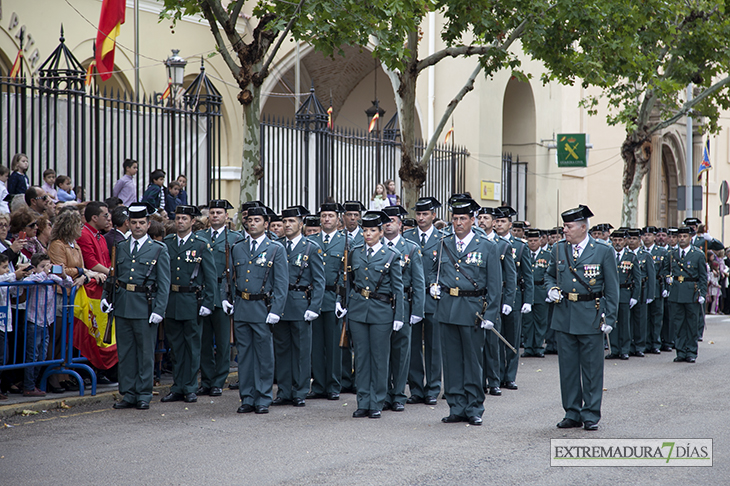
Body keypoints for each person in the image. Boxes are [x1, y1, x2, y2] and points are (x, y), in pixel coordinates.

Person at [545, 205, 619, 431]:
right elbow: (549, 276)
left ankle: (591, 413)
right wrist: (551, 289)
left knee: (591, 369)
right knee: (567, 369)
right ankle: (572, 412)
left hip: (591, 315)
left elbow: (612, 288)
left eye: (568, 227)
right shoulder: (558, 249)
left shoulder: (603, 250)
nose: (564, 231)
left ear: (583, 227)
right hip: (565, 314)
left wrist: (610, 318)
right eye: (564, 226)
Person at [429, 198, 501, 426]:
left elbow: (495, 285)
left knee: (472, 361)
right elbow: (433, 271)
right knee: (451, 361)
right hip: (448, 307)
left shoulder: (487, 246)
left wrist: (490, 315)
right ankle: (456, 406)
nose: (458, 223)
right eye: (455, 218)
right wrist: (433, 284)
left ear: (472, 220)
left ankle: (474, 407)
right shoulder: (443, 242)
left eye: (463, 219)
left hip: (472, 310)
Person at [101, 203, 170, 410]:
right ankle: (128, 392)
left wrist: (159, 309)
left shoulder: (158, 249)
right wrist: (106, 296)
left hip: (144, 307)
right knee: (126, 352)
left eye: (142, 222)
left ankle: (144, 393)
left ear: (149, 224)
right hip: (122, 304)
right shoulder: (120, 247)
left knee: (145, 352)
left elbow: (163, 283)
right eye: (134, 222)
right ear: (128, 223)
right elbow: (114, 275)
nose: (138, 226)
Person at [337, 210, 404, 419]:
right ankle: (363, 401)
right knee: (362, 359)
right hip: (358, 311)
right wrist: (341, 302)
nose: (367, 234)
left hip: (381, 312)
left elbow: (398, 288)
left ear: (380, 232)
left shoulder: (392, 255)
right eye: (365, 230)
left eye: (372, 230)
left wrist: (399, 316)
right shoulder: (355, 252)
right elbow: (346, 281)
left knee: (379, 359)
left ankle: (377, 401)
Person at [225, 206, 288, 414]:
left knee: (263, 355)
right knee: (244, 355)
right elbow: (230, 278)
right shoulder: (238, 247)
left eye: (257, 220)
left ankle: (263, 397)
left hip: (263, 307)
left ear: (266, 224)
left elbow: (281, 283)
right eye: (250, 220)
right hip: (242, 307)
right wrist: (228, 299)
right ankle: (247, 397)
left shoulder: (275, 248)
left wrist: (276, 310)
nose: (252, 223)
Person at [160, 206, 216, 404]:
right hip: (172, 301)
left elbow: (210, 277)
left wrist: (209, 302)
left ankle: (190, 387)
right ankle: (178, 386)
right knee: (175, 348)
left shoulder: (201, 244)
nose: (180, 221)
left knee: (192, 346)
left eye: (184, 218)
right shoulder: (167, 243)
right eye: (178, 218)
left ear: (192, 222)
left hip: (192, 301)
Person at [272, 206, 325, 408]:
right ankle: (284, 391)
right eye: (285, 222)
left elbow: (319, 281)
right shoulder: (276, 246)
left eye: (291, 221)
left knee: (302, 351)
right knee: (282, 350)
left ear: (301, 225)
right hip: (280, 305)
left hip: (301, 303)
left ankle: (300, 391)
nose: (287, 225)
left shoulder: (311, 247)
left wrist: (314, 306)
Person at [47, 209, 105, 392]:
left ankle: (64, 374)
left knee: (66, 339)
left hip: (74, 294)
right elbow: (59, 269)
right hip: (60, 294)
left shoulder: (75, 245)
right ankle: (51, 375)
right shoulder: (57, 245)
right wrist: (82, 273)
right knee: (57, 337)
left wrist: (86, 274)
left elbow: (81, 268)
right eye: (78, 224)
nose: (81, 228)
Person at [195, 199, 242, 397]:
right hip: (203, 291)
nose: (215, 216)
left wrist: (231, 296)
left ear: (226, 216)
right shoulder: (200, 236)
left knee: (223, 343)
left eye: (219, 213)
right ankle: (206, 380)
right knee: (204, 341)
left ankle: (218, 380)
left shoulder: (235, 238)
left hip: (224, 291)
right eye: (212, 213)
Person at [381, 205, 424, 412]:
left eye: (393, 220)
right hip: (379, 304)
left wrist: (417, 310)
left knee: (400, 352)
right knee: (381, 352)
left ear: (400, 224)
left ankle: (398, 394)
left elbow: (418, 282)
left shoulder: (411, 248)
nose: (388, 223)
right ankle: (382, 393)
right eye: (385, 220)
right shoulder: (374, 246)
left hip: (403, 304)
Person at [404, 197, 443, 406]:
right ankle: (416, 389)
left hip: (433, 298)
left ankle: (433, 388)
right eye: (418, 214)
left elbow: (447, 268)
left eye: (425, 214)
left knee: (433, 346)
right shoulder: (407, 237)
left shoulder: (443, 238)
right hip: (412, 298)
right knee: (412, 346)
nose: (421, 218)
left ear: (433, 216)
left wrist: (440, 285)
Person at [476, 206, 516, 396]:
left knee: (492, 343)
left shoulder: (502, 245)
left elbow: (510, 275)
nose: (482, 221)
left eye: (486, 218)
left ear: (494, 222)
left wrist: (508, 300)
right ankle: (478, 380)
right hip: (475, 298)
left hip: (493, 298)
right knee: (476, 343)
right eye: (480, 217)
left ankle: (494, 381)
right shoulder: (474, 242)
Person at [308, 202, 346, 401]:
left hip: (333, 298)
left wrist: (342, 300)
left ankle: (333, 385)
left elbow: (346, 273)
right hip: (315, 299)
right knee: (316, 345)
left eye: (330, 216)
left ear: (338, 219)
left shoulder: (344, 241)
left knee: (333, 346)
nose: (326, 219)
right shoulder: (311, 241)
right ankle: (319, 385)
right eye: (323, 216)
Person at [22, 252, 73, 396]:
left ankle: (36, 384)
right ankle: (29, 386)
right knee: (32, 355)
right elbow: (28, 282)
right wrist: (43, 273)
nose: (46, 269)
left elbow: (68, 283)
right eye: (42, 266)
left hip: (46, 321)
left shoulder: (51, 278)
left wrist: (62, 275)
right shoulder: (34, 278)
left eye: (48, 265)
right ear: (35, 267)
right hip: (34, 320)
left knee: (41, 355)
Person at [494, 206, 533, 390]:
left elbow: (527, 275)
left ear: (510, 224)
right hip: (495, 295)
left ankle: (509, 376)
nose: (499, 224)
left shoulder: (520, 245)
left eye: (502, 221)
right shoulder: (490, 243)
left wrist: (527, 300)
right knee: (496, 337)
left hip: (514, 297)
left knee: (512, 337)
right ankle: (496, 374)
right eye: (497, 221)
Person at [667, 227, 708, 363]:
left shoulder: (698, 254)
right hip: (676, 292)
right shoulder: (672, 254)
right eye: (680, 236)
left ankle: (691, 351)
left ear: (690, 238)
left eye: (684, 236)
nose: (682, 239)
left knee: (691, 323)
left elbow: (703, 276)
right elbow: (666, 271)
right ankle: (680, 351)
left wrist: (702, 293)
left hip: (692, 292)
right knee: (678, 323)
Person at [606, 229, 640, 360]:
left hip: (625, 293)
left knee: (625, 324)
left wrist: (635, 296)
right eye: (615, 240)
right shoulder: (608, 255)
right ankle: (614, 349)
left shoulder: (631, 256)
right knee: (612, 322)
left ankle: (625, 349)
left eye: (620, 240)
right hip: (611, 294)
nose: (617, 243)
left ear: (625, 241)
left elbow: (637, 278)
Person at [522, 229, 552, 358]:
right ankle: (528, 347)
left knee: (541, 321)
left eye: (535, 240)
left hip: (541, 290)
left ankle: (539, 347)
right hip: (527, 290)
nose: (532, 243)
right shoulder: (524, 254)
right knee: (527, 321)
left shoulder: (547, 255)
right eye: (530, 241)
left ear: (540, 241)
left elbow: (550, 274)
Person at [626, 228, 654, 357]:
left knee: (640, 320)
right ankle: (629, 345)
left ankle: (639, 346)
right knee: (628, 320)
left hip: (642, 290)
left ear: (639, 240)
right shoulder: (625, 255)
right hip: (627, 289)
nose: (631, 241)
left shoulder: (645, 255)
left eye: (634, 239)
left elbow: (651, 276)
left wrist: (650, 294)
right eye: (630, 239)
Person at [77, 202, 112, 302]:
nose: (108, 218)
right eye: (105, 215)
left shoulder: (100, 236)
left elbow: (107, 261)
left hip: (101, 286)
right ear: (95, 218)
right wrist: (111, 273)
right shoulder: (84, 234)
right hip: (90, 288)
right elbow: (91, 263)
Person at [642, 226, 669, 354]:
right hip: (644, 287)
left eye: (649, 235)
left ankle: (656, 343)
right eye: (644, 235)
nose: (646, 237)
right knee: (645, 317)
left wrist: (665, 288)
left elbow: (665, 272)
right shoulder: (640, 252)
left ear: (654, 237)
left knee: (657, 317)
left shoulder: (662, 252)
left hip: (658, 287)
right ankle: (646, 343)